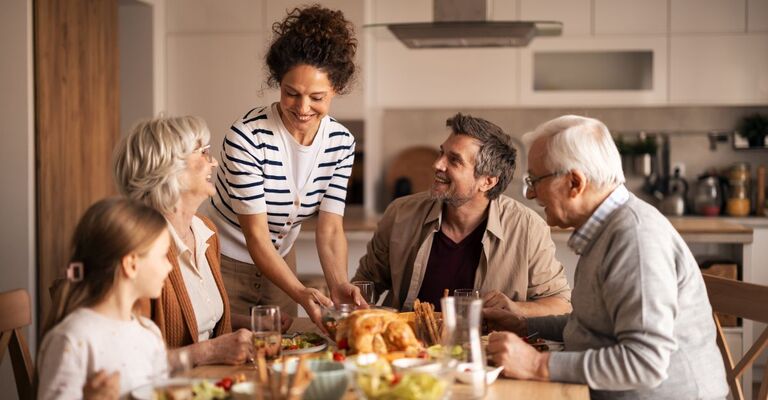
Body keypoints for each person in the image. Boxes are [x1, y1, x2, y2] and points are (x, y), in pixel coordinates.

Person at [484, 115, 728, 399]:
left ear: (575, 182)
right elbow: (591, 324)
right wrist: (525, 324)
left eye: (536, 180)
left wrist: (537, 364)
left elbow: (645, 362)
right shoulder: (605, 229)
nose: (530, 193)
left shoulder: (635, 239)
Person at [203, 4, 364, 328]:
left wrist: (338, 289)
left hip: (281, 263)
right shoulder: (246, 137)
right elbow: (257, 237)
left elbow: (330, 229)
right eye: (292, 94)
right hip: (225, 263)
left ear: (337, 89)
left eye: (317, 97)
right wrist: (301, 290)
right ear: (279, 83)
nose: (303, 108)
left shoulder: (341, 143)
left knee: (283, 352)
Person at [352, 113, 572, 314]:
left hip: (487, 352)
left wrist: (516, 309)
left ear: (487, 181)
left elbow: (560, 303)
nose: (437, 164)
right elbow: (365, 283)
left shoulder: (527, 227)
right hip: (409, 353)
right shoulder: (400, 213)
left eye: (454, 160)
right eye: (441, 153)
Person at [114, 116, 263, 366]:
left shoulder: (206, 231)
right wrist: (208, 352)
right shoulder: (138, 250)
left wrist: (250, 324)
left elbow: (202, 319)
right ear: (169, 168)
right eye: (203, 152)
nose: (213, 162)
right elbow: (123, 361)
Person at [38, 198, 171, 399]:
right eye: (163, 256)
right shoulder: (72, 340)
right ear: (131, 264)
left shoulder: (150, 334)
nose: (169, 266)